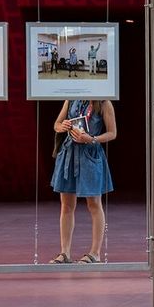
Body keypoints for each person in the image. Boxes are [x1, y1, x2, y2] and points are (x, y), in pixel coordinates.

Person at [49, 99, 116, 264]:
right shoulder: (71, 99)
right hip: (68, 154)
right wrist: (61, 126)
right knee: (66, 205)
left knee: (94, 204)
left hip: (90, 155)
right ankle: (65, 252)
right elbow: (57, 124)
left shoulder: (104, 103)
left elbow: (112, 133)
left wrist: (91, 139)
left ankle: (95, 253)